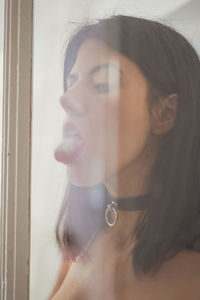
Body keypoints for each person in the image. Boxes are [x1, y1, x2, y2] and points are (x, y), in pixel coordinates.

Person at [48, 15, 200, 299]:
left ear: (164, 114)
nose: (66, 100)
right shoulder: (81, 249)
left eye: (103, 83)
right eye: (72, 83)